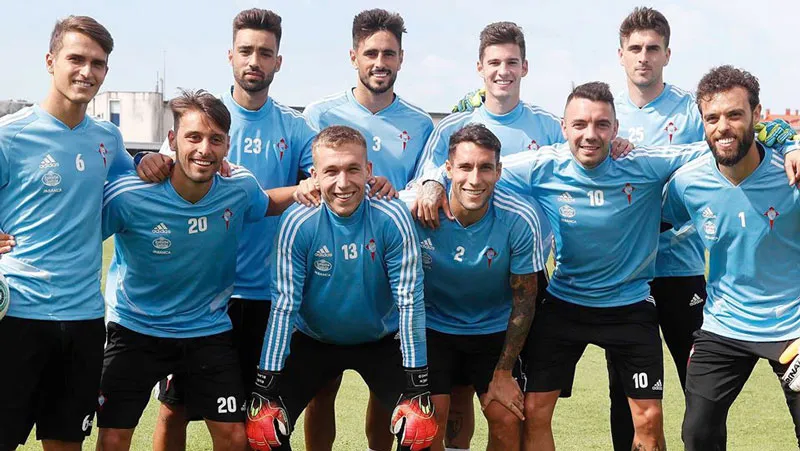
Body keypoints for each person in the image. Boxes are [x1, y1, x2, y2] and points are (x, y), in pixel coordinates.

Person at [414, 81, 800, 450]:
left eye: (601, 125)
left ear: (616, 129)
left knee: (649, 419)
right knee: (534, 411)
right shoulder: (542, 165)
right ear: (564, 127)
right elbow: (477, 168)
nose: (590, 134)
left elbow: (721, 143)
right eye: (580, 124)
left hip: (630, 305)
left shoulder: (642, 161)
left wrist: (788, 141)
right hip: (564, 303)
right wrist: (431, 182)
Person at [96, 89, 298, 451]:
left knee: (234, 436)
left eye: (215, 139)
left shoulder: (239, 187)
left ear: (227, 146)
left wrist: (312, 187)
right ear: (172, 140)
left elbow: (266, 203)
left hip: (206, 330)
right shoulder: (129, 194)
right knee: (113, 437)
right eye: (194, 137)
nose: (204, 149)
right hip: (135, 329)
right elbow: (79, 231)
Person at [245, 126, 436, 451]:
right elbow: (283, 306)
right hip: (314, 339)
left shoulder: (392, 216)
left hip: (380, 340)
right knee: (264, 432)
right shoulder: (298, 220)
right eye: (331, 171)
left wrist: (418, 385)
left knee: (419, 433)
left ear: (369, 171)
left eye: (353, 169)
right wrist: (266, 386)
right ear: (314, 176)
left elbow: (410, 302)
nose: (343, 183)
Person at [300, 9, 433, 450]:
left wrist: (399, 193)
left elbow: (422, 190)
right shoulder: (318, 114)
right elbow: (309, 183)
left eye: (389, 54)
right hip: (327, 272)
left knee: (384, 393)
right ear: (353, 55)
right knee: (322, 390)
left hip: (386, 276)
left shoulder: (421, 124)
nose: (380, 62)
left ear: (401, 59)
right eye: (371, 52)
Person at [0, 16, 133, 451]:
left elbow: (137, 186)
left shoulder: (109, 140)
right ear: (50, 61)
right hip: (17, 315)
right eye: (76, 59)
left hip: (84, 319)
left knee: (66, 443)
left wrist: (159, 164)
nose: (86, 72)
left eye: (97, 63)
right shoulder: (10, 136)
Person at [660, 65, 800, 450]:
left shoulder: (791, 175)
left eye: (735, 115)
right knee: (697, 433)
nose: (723, 127)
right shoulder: (688, 183)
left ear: (756, 115)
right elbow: (653, 225)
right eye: (712, 118)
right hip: (725, 324)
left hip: (793, 325)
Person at [400, 123, 548, 451]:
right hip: (432, 328)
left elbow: (525, 300)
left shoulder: (520, 217)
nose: (474, 179)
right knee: (426, 421)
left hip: (493, 331)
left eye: (485, 168)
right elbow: (369, 209)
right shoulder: (414, 207)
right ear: (448, 169)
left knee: (507, 417)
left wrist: (504, 372)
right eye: (465, 167)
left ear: (499, 171)